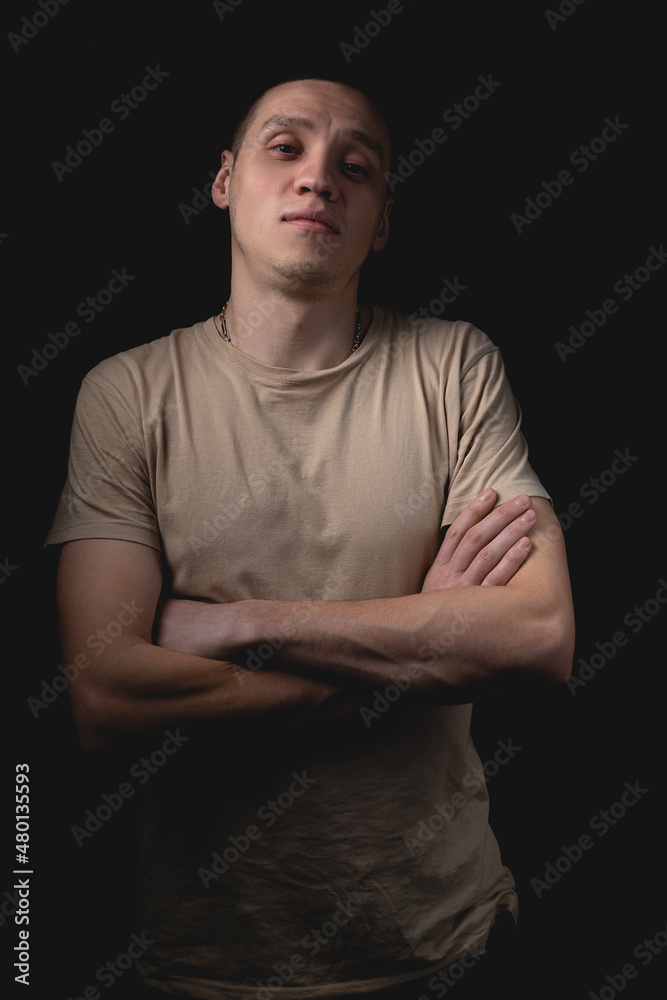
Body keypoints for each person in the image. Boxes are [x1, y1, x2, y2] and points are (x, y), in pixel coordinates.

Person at [46, 77, 575, 999]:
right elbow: (104, 697)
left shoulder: (453, 365)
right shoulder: (126, 394)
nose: (319, 178)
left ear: (380, 223)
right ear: (223, 181)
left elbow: (536, 637)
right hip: (207, 965)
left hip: (447, 946)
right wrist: (417, 645)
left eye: (354, 165)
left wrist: (238, 622)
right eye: (284, 148)